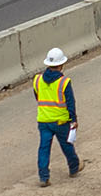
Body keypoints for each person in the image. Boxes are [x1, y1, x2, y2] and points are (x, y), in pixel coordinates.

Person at [34, 47, 82, 187]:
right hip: (61, 121)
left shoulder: (37, 80)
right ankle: (74, 168)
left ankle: (43, 177)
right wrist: (73, 120)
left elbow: (38, 97)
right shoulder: (64, 82)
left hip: (43, 121)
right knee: (67, 145)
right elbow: (70, 102)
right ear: (61, 65)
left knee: (44, 148)